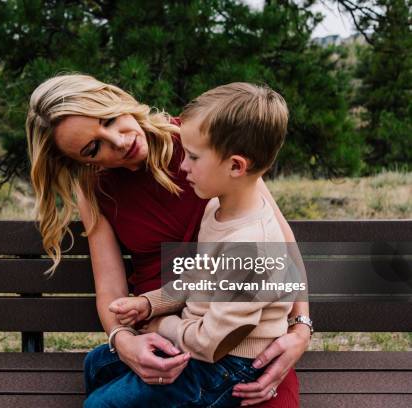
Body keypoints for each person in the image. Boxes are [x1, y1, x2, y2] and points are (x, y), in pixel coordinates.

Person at [26, 74, 312, 407]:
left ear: (118, 100)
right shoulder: (94, 187)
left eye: (109, 119)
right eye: (94, 147)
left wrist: (299, 329)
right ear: (81, 162)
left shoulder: (204, 142)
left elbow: (280, 249)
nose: (118, 141)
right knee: (99, 369)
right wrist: (124, 340)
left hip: (231, 340)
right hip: (168, 330)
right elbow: (112, 288)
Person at [96, 82, 300, 407]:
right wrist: (150, 304)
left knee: (100, 405)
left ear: (236, 166)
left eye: (192, 157)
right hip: (198, 334)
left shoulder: (249, 247)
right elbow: (197, 279)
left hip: (230, 365)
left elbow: (212, 343)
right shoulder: (216, 209)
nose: (182, 166)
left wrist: (162, 325)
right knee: (96, 365)